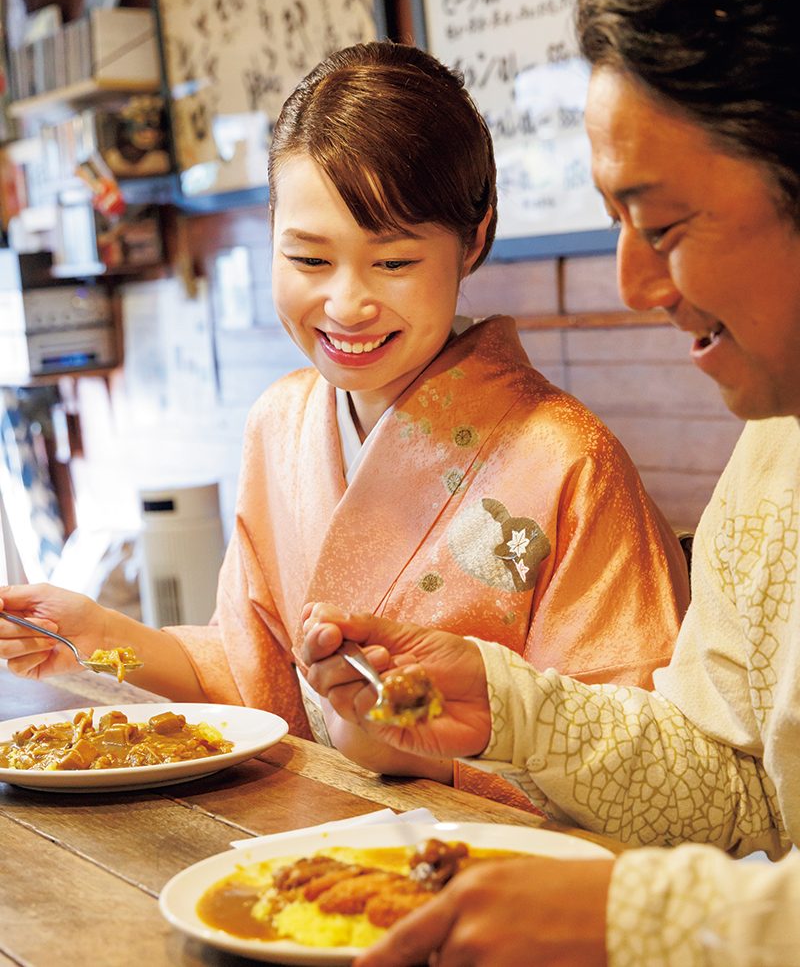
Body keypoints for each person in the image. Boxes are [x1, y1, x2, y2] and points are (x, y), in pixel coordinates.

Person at [0, 41, 688, 805]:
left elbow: (647, 759)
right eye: (309, 260)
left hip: (509, 886)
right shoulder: (281, 425)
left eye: (393, 263)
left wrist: (419, 753)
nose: (347, 305)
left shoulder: (567, 460)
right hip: (315, 856)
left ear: (476, 238)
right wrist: (97, 636)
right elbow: (253, 678)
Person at [301, 0, 800, 964]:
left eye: (659, 227)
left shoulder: (568, 451)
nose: (631, 284)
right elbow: (742, 790)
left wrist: (637, 914)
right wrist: (511, 707)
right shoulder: (773, 450)